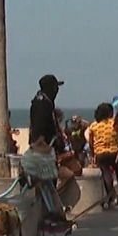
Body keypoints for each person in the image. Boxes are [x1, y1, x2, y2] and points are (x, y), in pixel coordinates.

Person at [27, 74, 68, 219]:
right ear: (51, 88)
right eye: (56, 87)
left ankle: (50, 212)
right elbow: (40, 127)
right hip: (43, 150)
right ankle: (48, 215)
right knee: (47, 182)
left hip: (46, 148)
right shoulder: (43, 103)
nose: (58, 90)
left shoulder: (45, 101)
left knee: (49, 182)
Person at [84, 103, 118, 210]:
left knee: (106, 173)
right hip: (114, 152)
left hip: (100, 153)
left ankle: (110, 193)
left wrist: (93, 153)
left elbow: (91, 142)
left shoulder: (94, 125)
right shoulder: (114, 123)